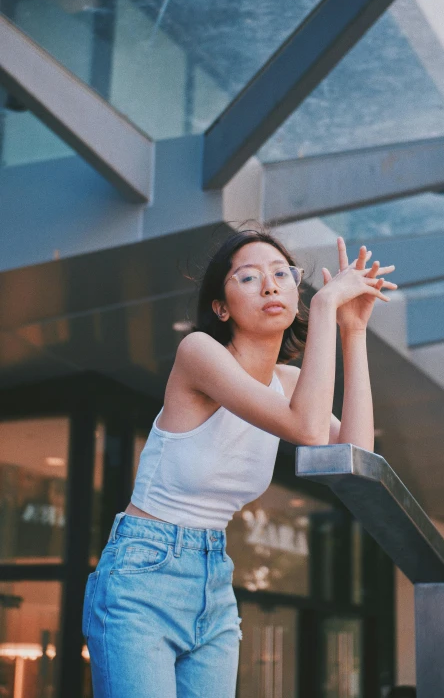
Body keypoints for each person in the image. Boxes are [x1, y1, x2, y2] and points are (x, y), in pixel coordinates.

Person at [82, 226, 397, 698]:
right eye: (248, 278)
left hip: (213, 580)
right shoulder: (199, 354)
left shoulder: (289, 385)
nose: (270, 285)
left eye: (281, 274)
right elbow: (308, 431)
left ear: (294, 294)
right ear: (221, 307)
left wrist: (352, 330)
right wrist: (326, 308)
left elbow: (356, 457)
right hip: (142, 577)